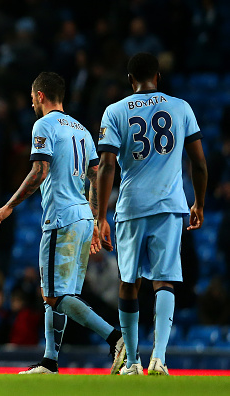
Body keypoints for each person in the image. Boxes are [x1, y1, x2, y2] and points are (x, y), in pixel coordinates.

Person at [0, 72, 125, 375]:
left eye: (32, 97)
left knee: (53, 295)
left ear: (40, 96)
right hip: (80, 217)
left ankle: (117, 338)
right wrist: (94, 219)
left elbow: (39, 170)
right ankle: (50, 362)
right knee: (62, 295)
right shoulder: (81, 129)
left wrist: (9, 205)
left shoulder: (44, 125)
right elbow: (95, 177)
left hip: (60, 217)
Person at [96, 53, 207, 375]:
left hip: (131, 207)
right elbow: (199, 163)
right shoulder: (181, 107)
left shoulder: (114, 111)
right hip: (170, 205)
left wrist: (101, 216)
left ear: (131, 80)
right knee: (165, 281)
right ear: (157, 77)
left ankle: (132, 361)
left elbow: (106, 165)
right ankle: (159, 358)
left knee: (129, 282)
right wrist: (198, 203)